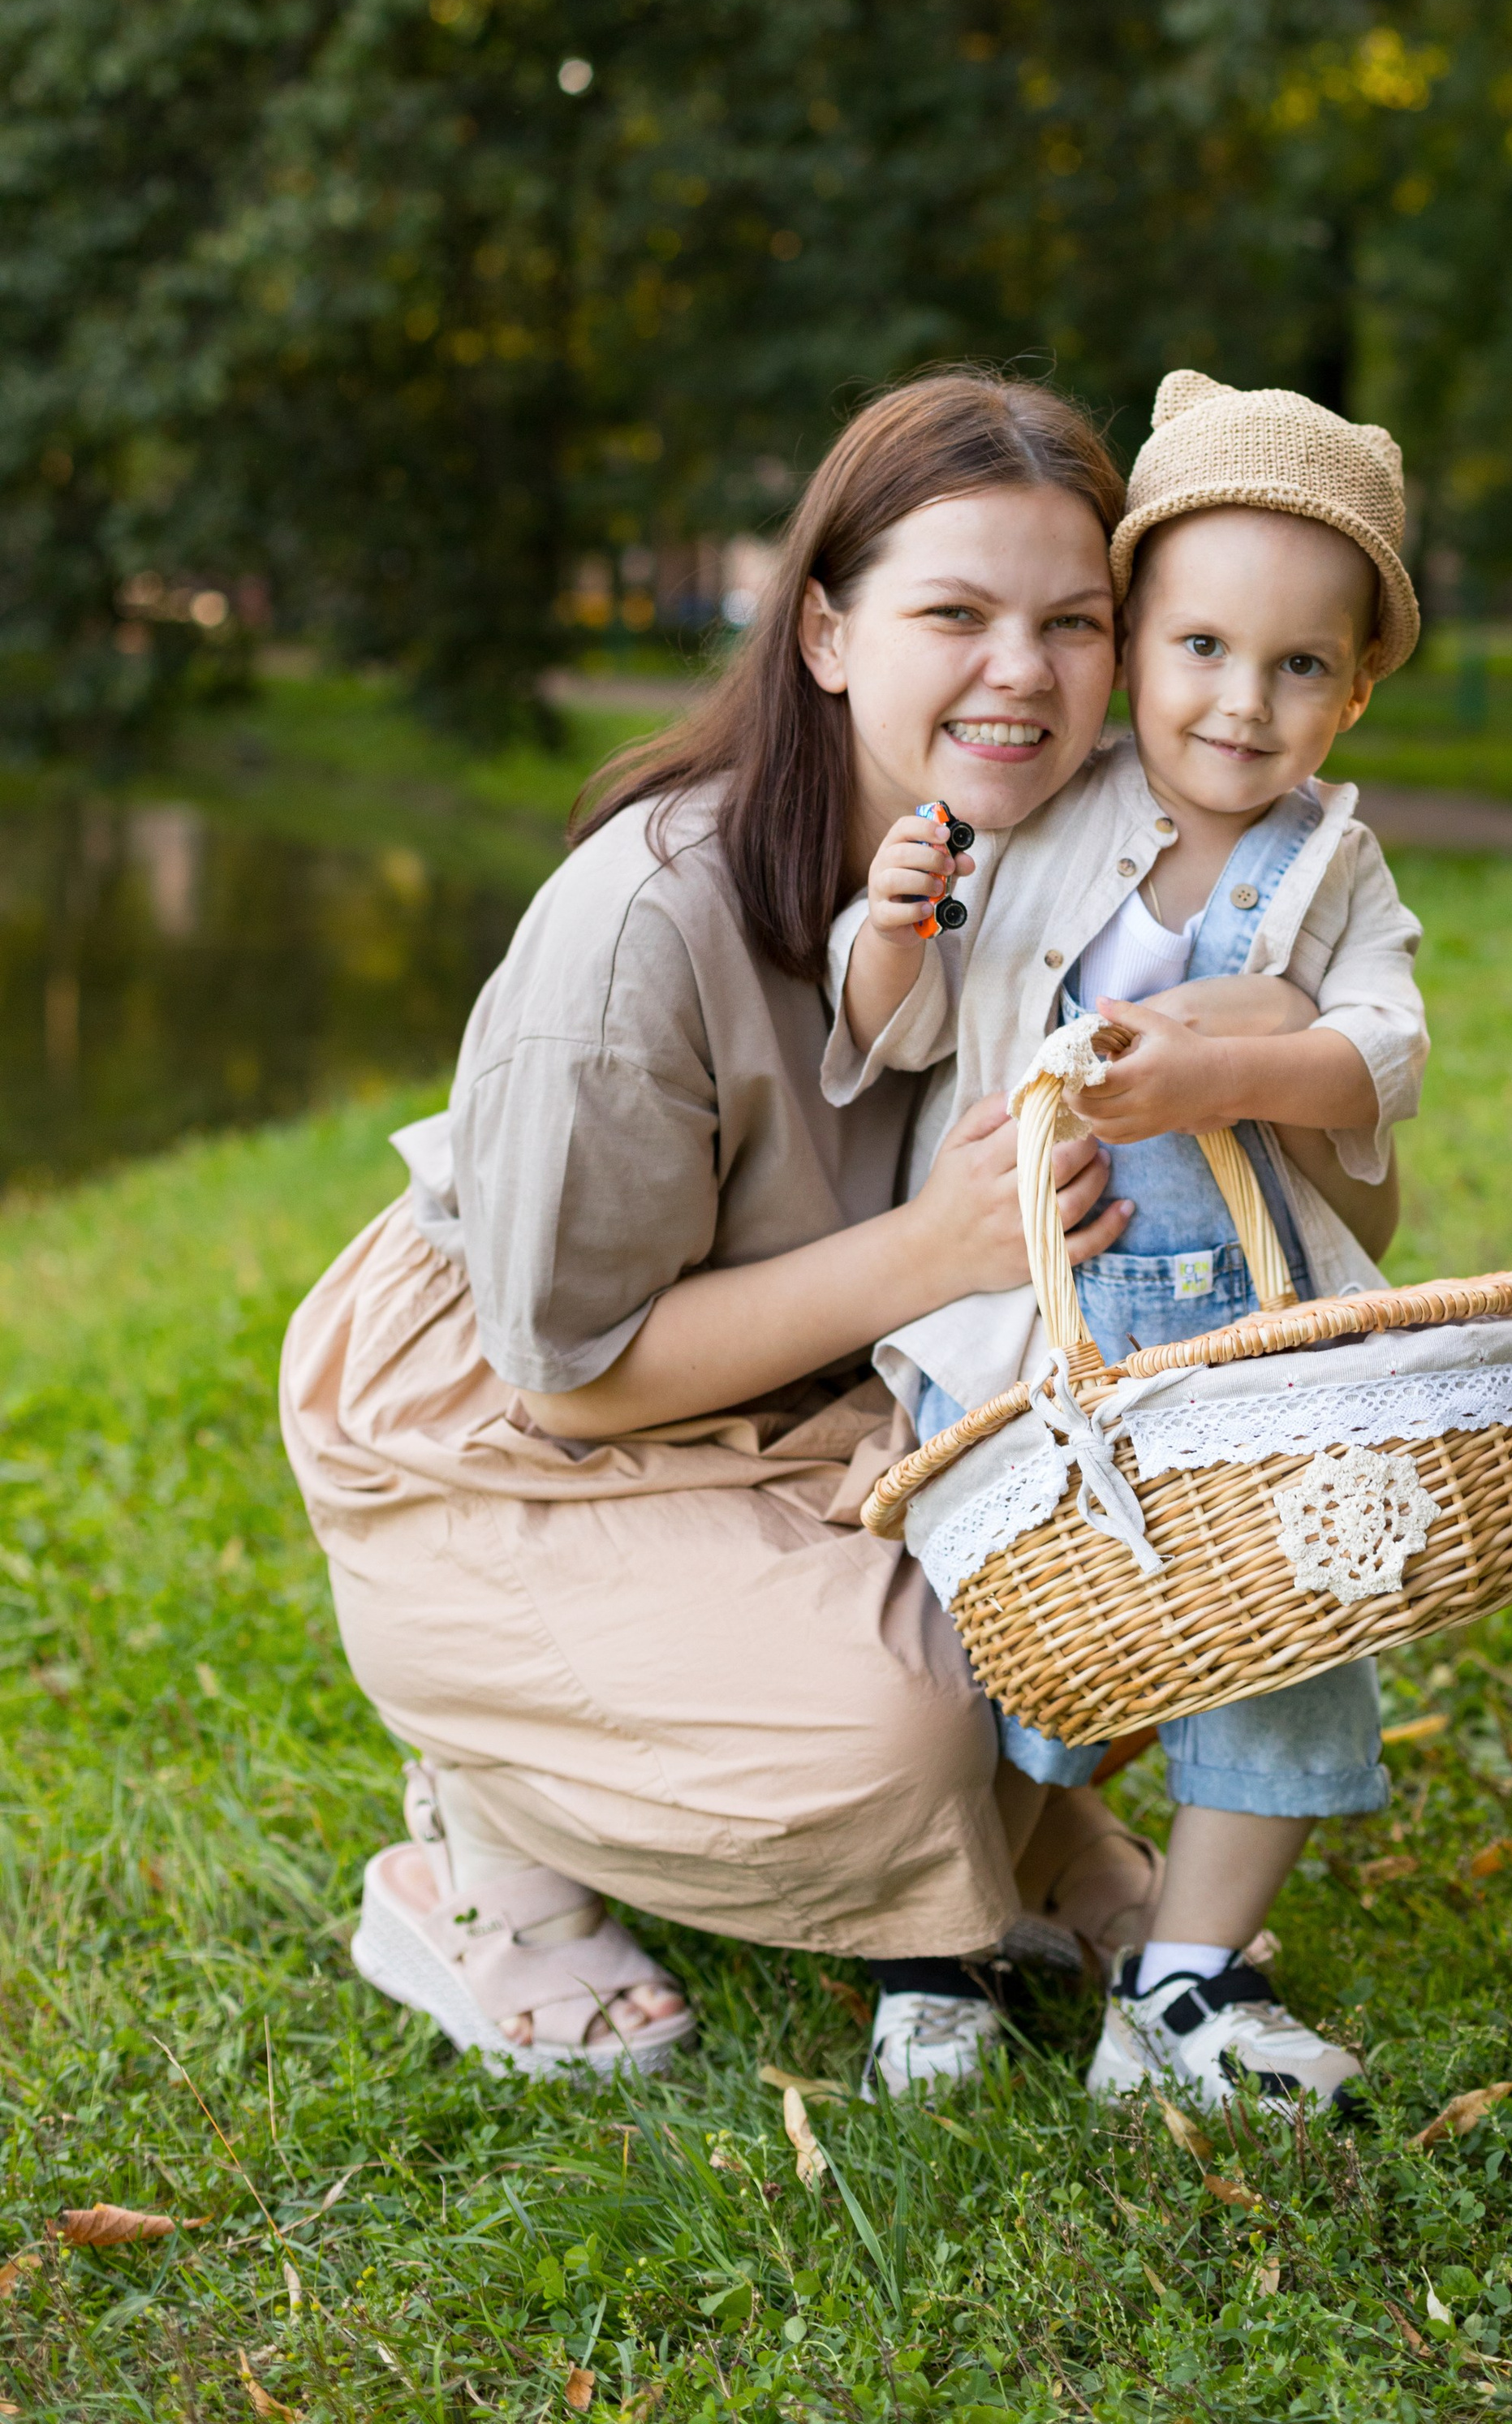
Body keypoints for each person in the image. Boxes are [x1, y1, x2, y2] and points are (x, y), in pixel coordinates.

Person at [280, 372, 1165, 2098]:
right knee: (889, 1735)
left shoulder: (1032, 862)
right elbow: (577, 1376)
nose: (1023, 671)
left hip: (817, 1394)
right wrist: (937, 1248)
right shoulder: (640, 925)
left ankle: (1011, 1823)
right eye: (955, 613)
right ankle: (484, 1848)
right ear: (824, 632)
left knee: (1140, 1568)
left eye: (1074, 621)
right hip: (513, 1439)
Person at [828, 370, 1430, 2112]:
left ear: (1355, 687)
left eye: (1298, 665)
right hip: (1043, 1332)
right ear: (1130, 643)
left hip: (1246, 1347)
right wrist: (888, 932)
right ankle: (940, 1939)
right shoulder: (1044, 816)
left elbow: (1380, 1050)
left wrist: (1227, 1067)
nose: (1241, 704)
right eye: (1198, 649)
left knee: (1283, 1639)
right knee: (1012, 1639)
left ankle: (1180, 1987)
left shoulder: (1334, 869)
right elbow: (909, 1022)